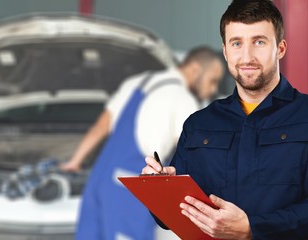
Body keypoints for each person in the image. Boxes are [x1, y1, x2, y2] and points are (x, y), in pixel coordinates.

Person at [142, 0, 308, 239]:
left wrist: (251, 228)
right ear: (225, 51)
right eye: (237, 43)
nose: (247, 57)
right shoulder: (198, 124)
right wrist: (161, 189)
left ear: (280, 48)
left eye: (259, 42)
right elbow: (174, 216)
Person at [61, 46, 224, 239]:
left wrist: (75, 161)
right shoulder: (183, 100)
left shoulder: (138, 82)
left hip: (100, 181)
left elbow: (101, 126)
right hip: (131, 189)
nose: (213, 90)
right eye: (212, 81)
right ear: (195, 69)